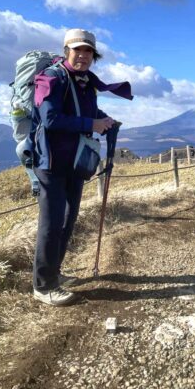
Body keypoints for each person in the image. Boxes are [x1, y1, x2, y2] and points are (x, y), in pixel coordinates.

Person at [30, 28, 132, 306]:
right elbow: (49, 119)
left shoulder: (85, 83)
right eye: (78, 50)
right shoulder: (51, 79)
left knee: (66, 220)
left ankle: (55, 274)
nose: (83, 55)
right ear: (67, 51)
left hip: (74, 163)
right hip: (51, 163)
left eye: (88, 51)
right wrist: (91, 125)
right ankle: (43, 286)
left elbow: (86, 113)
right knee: (51, 226)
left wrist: (104, 119)